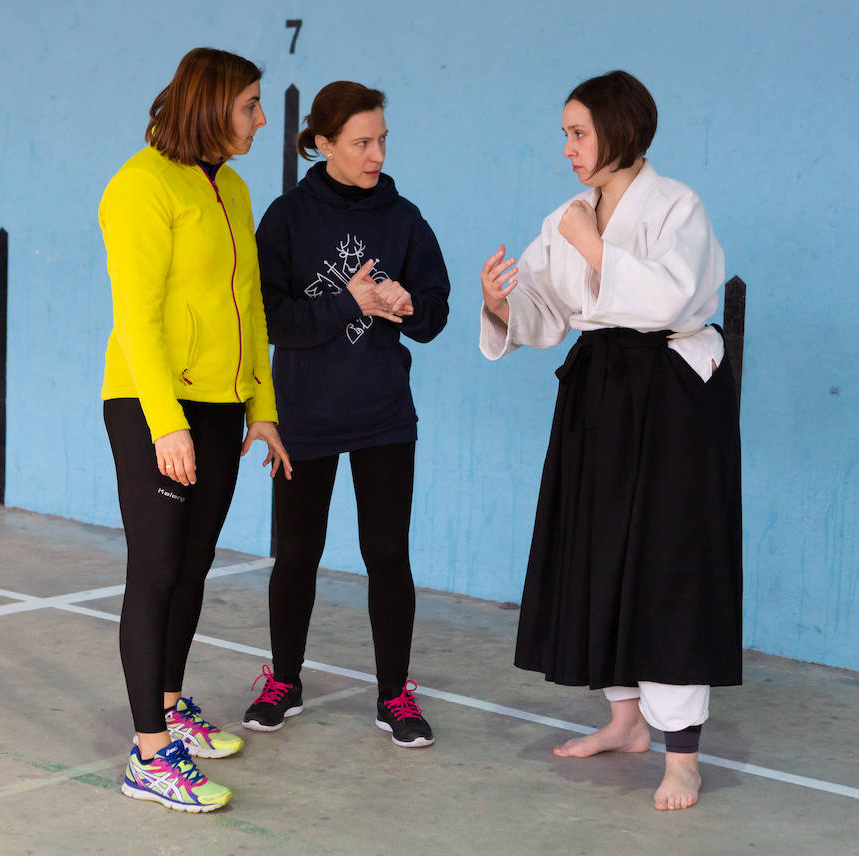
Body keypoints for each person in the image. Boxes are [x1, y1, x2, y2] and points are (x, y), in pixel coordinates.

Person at [479, 70, 741, 810]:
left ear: (619, 130)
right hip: (601, 391)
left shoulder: (677, 206)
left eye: (578, 133)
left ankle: (682, 754)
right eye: (565, 134)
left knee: (667, 561)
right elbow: (545, 311)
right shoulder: (569, 215)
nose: (567, 148)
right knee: (600, 551)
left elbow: (673, 299)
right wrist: (500, 301)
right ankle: (626, 721)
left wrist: (595, 248)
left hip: (673, 394)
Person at [99, 47, 291, 812]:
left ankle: (170, 705)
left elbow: (251, 307)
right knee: (155, 569)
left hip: (220, 405)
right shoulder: (140, 185)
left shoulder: (232, 188)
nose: (261, 119)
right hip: (153, 404)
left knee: (193, 563)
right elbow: (137, 317)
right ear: (211, 106)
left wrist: (262, 406)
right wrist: (164, 423)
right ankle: (149, 756)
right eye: (250, 104)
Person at [242, 81, 450, 749]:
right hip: (302, 416)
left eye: (382, 140)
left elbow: (436, 311)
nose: (376, 154)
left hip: (384, 415)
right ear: (324, 143)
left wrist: (408, 308)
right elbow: (271, 319)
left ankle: (394, 694)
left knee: (387, 553)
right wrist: (350, 304)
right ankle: (284, 680)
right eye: (362, 142)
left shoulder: (404, 218)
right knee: (297, 553)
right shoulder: (286, 218)